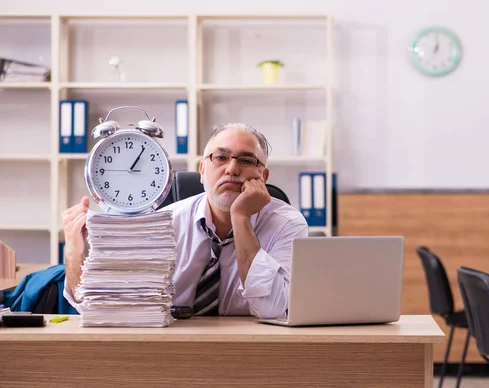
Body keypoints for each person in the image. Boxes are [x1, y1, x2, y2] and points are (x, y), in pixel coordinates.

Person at [62, 123, 309, 319]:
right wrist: (74, 253)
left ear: (263, 176)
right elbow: (99, 309)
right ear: (202, 171)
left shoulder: (286, 225)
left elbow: (272, 308)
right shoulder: (163, 224)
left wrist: (241, 217)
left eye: (246, 160)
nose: (232, 169)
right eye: (221, 158)